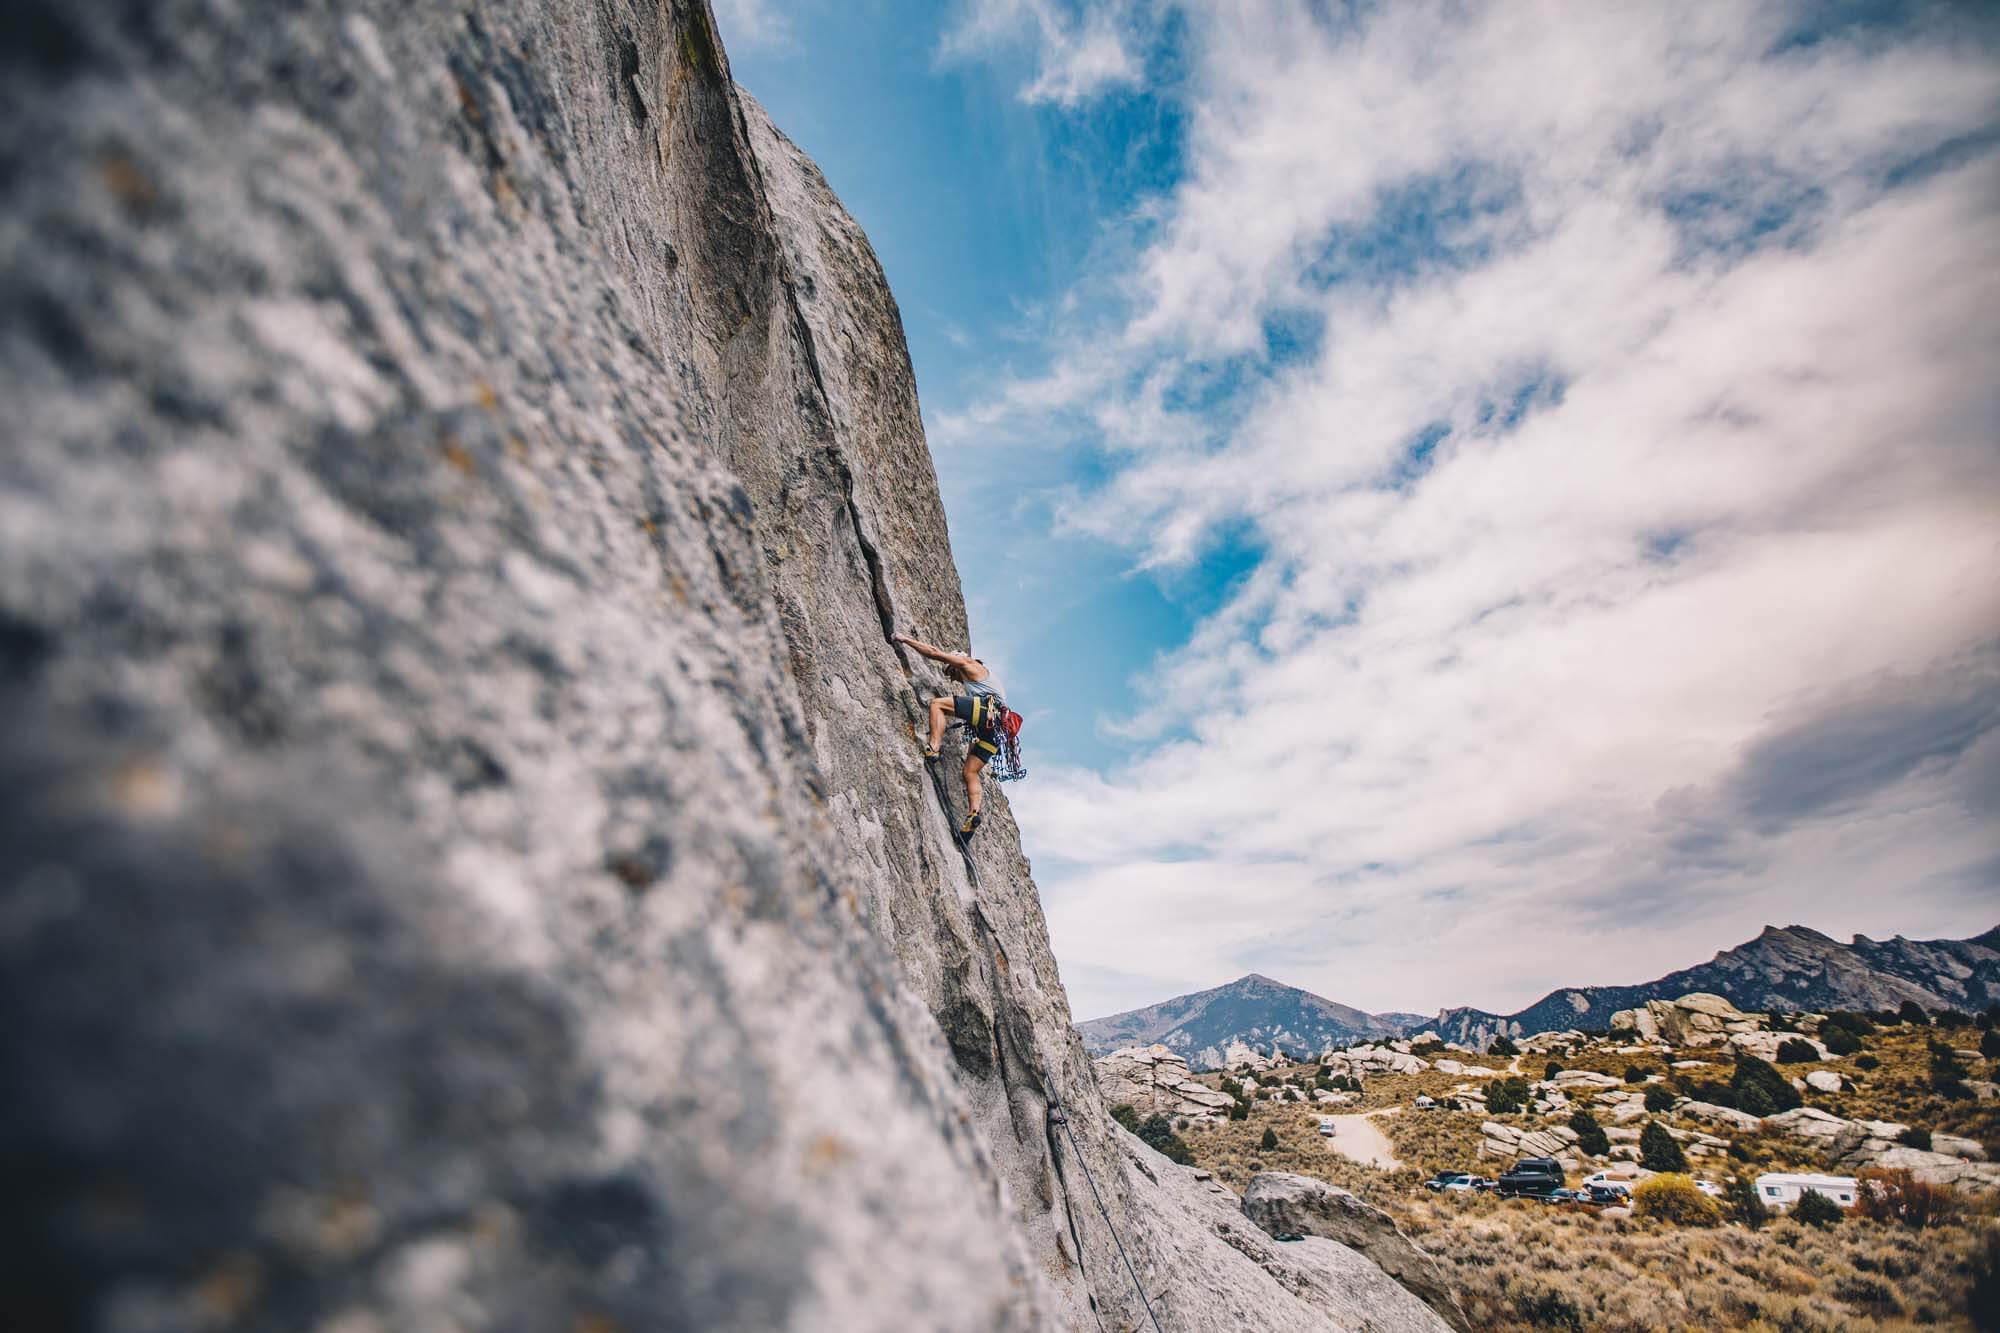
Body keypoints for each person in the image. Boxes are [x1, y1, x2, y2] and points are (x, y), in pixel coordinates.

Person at [894, 632, 1005, 839]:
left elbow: (934, 653)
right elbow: (976, 727)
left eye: (951, 672)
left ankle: (933, 748)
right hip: (997, 730)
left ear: (956, 663)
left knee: (937, 704)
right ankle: (973, 814)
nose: (951, 677)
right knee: (970, 772)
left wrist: (905, 639)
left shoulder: (967, 663)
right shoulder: (982, 682)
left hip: (988, 712)